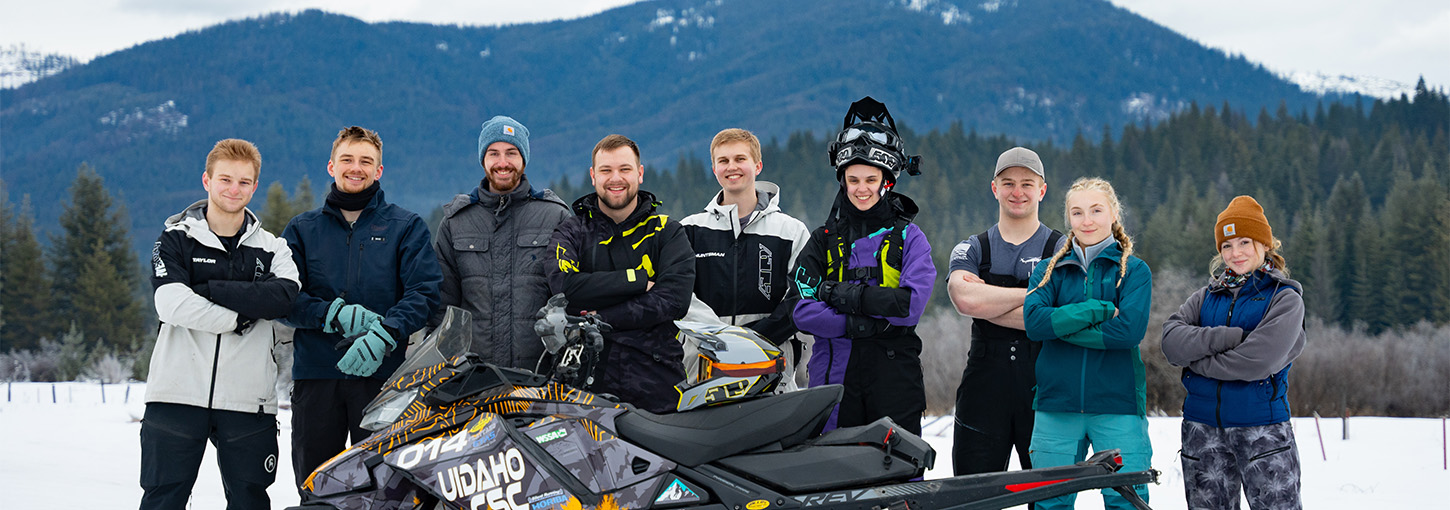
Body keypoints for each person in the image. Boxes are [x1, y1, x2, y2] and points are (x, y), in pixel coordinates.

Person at [141, 138, 300, 510]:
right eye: (225, 179)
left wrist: (208, 289)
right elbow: (171, 303)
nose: (234, 189)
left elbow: (284, 297)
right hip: (175, 395)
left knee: (250, 501)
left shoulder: (274, 248)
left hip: (249, 401)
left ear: (255, 186)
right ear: (207, 181)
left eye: (244, 182)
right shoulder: (175, 240)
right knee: (162, 500)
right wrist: (241, 316)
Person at [282, 126, 441, 491]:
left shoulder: (406, 227)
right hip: (317, 379)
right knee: (316, 485)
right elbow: (284, 298)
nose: (357, 168)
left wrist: (387, 333)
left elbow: (425, 292)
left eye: (366, 161)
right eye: (348, 160)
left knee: (387, 488)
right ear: (331, 166)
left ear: (379, 170)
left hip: (384, 381)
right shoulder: (303, 230)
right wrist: (331, 315)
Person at [792, 96, 935, 435]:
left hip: (894, 377)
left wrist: (837, 294)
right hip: (833, 378)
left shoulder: (910, 238)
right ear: (842, 180)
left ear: (888, 181)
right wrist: (868, 320)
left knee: (899, 476)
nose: (861, 189)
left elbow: (909, 306)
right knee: (831, 475)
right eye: (853, 180)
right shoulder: (822, 239)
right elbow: (800, 308)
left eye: (870, 180)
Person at [1161, 195, 1305, 510]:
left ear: (1265, 244)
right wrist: (1232, 337)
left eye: (1244, 242)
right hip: (1201, 431)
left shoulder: (1284, 299)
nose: (1235, 252)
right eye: (1227, 245)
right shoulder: (1205, 297)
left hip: (1262, 433)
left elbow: (1257, 362)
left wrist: (1196, 362)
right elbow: (1171, 342)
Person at [1022, 177, 1153, 510]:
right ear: (1069, 219)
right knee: (1050, 502)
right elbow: (1035, 324)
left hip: (1118, 405)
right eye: (1077, 213)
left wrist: (1062, 326)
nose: (1087, 220)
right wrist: (1099, 309)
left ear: (1113, 214)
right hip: (1056, 406)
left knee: (1126, 501)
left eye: (1096, 210)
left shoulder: (1134, 272)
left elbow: (1127, 332)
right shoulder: (1048, 273)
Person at [548, 134, 696, 413]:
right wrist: (638, 281)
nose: (615, 178)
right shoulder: (572, 231)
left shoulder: (667, 231)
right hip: (586, 384)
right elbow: (565, 285)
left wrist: (598, 318)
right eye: (606, 170)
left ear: (640, 173)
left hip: (658, 382)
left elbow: (674, 300)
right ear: (593, 176)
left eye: (625, 169)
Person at [946, 146, 1065, 475]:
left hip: (1044, 384)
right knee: (974, 496)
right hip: (983, 387)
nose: (1018, 192)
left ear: (1042, 190)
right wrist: (1036, 295)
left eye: (1027, 183)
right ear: (994, 188)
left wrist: (988, 301)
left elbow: (1062, 317)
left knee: (1047, 496)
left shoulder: (1061, 249)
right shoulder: (973, 247)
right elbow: (965, 300)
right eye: (1008, 182)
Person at [432, 115, 570, 369]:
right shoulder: (456, 223)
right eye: (493, 153)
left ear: (524, 160)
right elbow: (442, 307)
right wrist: (452, 365)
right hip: (473, 375)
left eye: (511, 153)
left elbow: (570, 296)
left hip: (539, 375)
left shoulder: (555, 217)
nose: (503, 162)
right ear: (483, 159)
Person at [681, 128, 811, 389]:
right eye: (723, 161)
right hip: (703, 370)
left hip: (772, 368)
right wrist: (722, 338)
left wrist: (758, 336)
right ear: (714, 168)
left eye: (740, 159)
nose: (732, 167)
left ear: (758, 165)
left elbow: (804, 295)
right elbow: (678, 294)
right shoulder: (689, 230)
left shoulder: (791, 231)